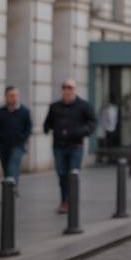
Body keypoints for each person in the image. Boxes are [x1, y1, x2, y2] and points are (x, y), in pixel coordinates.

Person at [43, 79, 97, 214]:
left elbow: (93, 122)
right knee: (61, 174)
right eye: (64, 87)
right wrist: (47, 128)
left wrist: (84, 131)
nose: (67, 90)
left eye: (70, 88)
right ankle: (64, 200)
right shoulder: (55, 106)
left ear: (75, 89)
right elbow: (48, 122)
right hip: (59, 146)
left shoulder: (84, 105)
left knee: (72, 173)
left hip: (76, 146)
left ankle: (69, 201)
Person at [0, 86, 32, 185]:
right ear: (6, 97)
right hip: (3, 146)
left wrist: (23, 139)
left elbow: (28, 128)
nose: (15, 98)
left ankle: (12, 190)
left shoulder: (24, 111)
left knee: (12, 167)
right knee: (6, 170)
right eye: (12, 95)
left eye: (16, 95)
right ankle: (10, 192)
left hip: (18, 145)